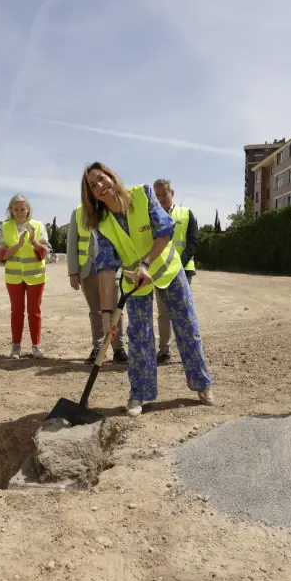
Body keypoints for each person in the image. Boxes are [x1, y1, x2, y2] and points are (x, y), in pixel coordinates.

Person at [81, 162, 213, 418]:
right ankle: (140, 392)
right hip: (135, 282)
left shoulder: (142, 195)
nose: (99, 186)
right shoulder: (103, 224)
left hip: (167, 271)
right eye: (92, 186)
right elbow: (106, 270)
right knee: (140, 336)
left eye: (100, 178)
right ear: (91, 195)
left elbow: (164, 232)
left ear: (112, 176)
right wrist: (107, 314)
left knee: (187, 327)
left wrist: (145, 263)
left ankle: (202, 383)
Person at [67, 201, 127, 365]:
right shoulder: (78, 212)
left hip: (112, 268)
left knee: (115, 311)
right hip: (88, 270)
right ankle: (98, 347)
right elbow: (72, 243)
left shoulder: (113, 208)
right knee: (95, 311)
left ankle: (118, 348)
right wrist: (73, 272)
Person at [152, 178, 198, 364]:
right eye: (158, 195)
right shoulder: (151, 217)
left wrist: (179, 264)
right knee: (163, 313)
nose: (162, 198)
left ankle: (189, 351)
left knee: (184, 312)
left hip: (183, 271)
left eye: (164, 194)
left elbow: (193, 242)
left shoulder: (186, 213)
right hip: (159, 272)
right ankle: (164, 350)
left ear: (172, 193)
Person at [0, 194, 49, 359]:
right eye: (16, 209)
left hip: (35, 277)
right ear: (11, 210)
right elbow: (2, 254)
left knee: (34, 311)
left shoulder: (38, 226)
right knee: (16, 312)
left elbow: (46, 251)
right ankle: (16, 346)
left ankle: (36, 346)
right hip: (14, 278)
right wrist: (18, 245)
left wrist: (34, 242)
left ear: (28, 210)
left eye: (22, 209)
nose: (19, 212)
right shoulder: (5, 228)